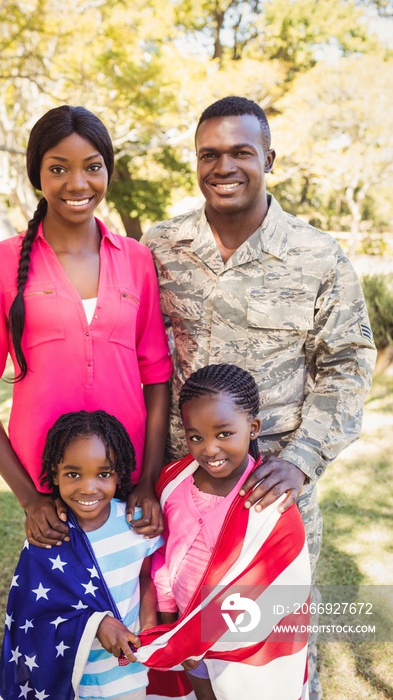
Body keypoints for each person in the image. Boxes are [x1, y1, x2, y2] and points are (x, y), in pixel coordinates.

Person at [141, 96, 377, 699]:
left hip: (272, 500)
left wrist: (301, 460)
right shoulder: (161, 249)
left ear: (269, 157)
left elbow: (348, 365)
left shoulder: (317, 255)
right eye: (209, 154)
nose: (225, 166)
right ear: (195, 163)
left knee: (272, 656)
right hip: (182, 495)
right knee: (181, 645)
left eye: (241, 152)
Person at [0, 105, 172, 548]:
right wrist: (30, 499)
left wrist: (147, 481)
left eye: (93, 167)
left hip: (126, 486)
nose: (78, 183)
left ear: (107, 172)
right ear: (38, 174)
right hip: (50, 495)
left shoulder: (136, 260)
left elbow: (156, 378)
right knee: (63, 612)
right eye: (59, 168)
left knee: (137, 608)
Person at [136, 364, 311, 700]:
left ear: (253, 428)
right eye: (195, 437)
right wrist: (170, 614)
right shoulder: (174, 484)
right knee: (203, 693)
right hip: (187, 629)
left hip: (240, 639)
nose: (209, 449)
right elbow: (164, 552)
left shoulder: (268, 503)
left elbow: (282, 586)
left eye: (224, 434)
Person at [0, 409, 163, 700]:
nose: (89, 487)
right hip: (69, 678)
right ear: (54, 473)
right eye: (73, 474)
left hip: (127, 675)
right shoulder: (48, 535)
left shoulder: (135, 524)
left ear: (119, 473)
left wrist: (149, 625)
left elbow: (146, 577)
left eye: (104, 474)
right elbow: (33, 618)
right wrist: (96, 624)